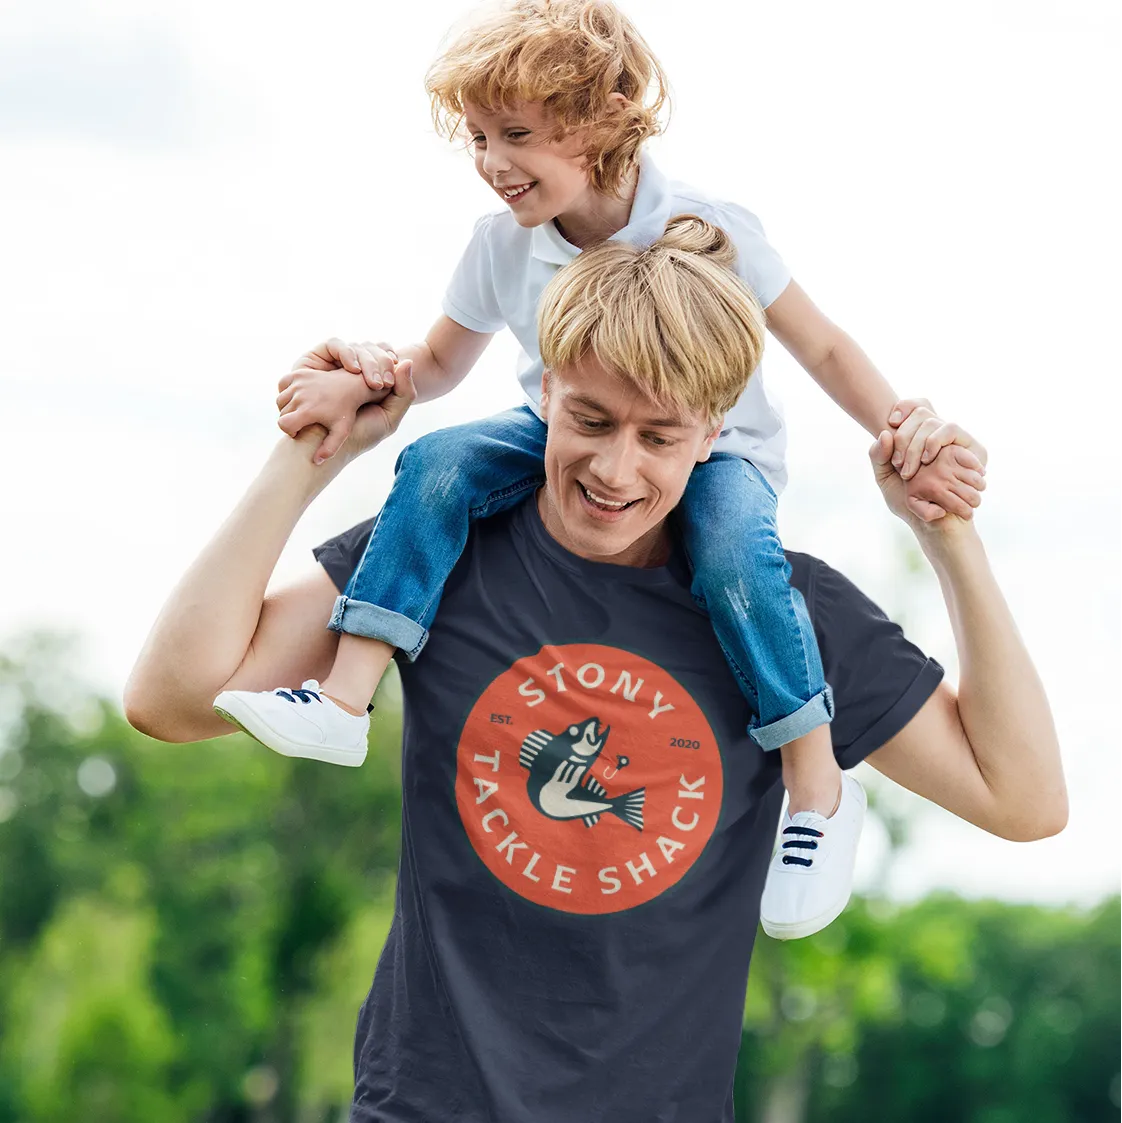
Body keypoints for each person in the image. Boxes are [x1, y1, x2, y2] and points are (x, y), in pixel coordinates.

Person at [125, 221, 1065, 1123]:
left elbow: (1022, 800)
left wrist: (947, 538)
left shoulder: (779, 613)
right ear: (544, 394)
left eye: (660, 437)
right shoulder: (442, 552)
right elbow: (168, 699)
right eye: (590, 418)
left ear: (715, 437)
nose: (616, 468)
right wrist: (312, 452)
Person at [215, 0, 987, 940]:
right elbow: (438, 365)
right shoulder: (500, 246)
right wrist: (363, 383)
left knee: (737, 554)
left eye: (517, 136)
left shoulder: (709, 228)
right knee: (437, 461)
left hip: (713, 455)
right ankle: (344, 695)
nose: (493, 162)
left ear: (602, 122)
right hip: (558, 430)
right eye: (478, 137)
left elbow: (820, 345)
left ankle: (817, 789)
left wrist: (902, 422)